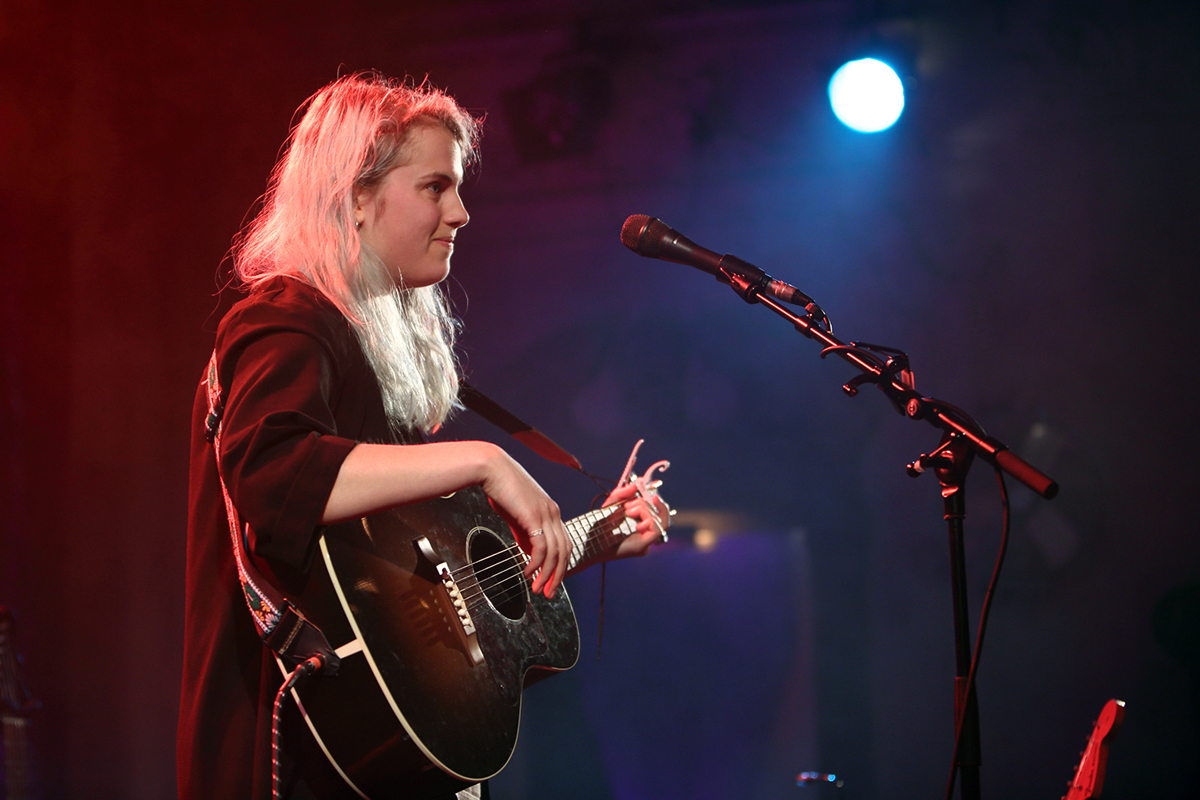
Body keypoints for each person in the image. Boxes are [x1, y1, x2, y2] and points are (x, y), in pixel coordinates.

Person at [177, 72, 669, 800]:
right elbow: (273, 474)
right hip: (300, 752)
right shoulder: (284, 318)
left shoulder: (372, 350)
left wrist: (588, 540)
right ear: (356, 197)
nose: (462, 212)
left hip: (381, 757)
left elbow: (415, 596)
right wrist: (484, 459)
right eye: (436, 187)